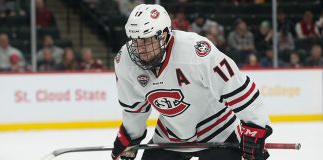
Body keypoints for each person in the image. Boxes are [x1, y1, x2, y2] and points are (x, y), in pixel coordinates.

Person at [112, 4, 272, 160]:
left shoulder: (196, 52)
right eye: (136, 40)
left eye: (147, 40)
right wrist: (130, 137)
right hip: (171, 136)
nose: (140, 48)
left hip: (218, 133)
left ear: (165, 35)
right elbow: (134, 108)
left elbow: (237, 88)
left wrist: (255, 127)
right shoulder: (125, 61)